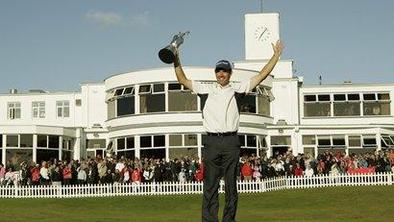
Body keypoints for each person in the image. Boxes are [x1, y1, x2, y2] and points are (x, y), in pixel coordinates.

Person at [173, 40, 284, 222]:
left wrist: (276, 56)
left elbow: (262, 75)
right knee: (210, 185)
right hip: (211, 142)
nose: (221, 73)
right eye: (218, 70)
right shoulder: (206, 89)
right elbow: (182, 79)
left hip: (231, 142)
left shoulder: (237, 88)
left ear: (230, 73)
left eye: (224, 70)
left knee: (231, 186)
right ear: (215, 73)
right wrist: (175, 57)